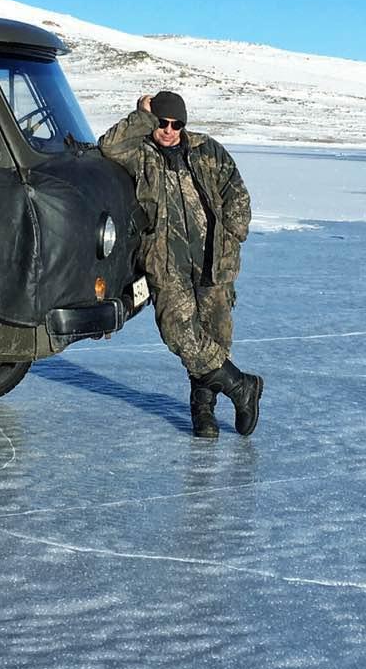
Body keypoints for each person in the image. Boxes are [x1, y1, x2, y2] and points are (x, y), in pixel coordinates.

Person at [99, 90, 263, 439]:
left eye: (176, 124)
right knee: (181, 335)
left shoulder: (207, 150)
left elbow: (237, 191)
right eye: (162, 122)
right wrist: (141, 115)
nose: (169, 130)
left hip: (213, 262)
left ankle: (203, 413)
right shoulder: (141, 153)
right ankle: (241, 386)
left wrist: (233, 233)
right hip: (167, 264)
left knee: (215, 338)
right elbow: (108, 147)